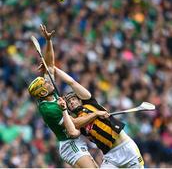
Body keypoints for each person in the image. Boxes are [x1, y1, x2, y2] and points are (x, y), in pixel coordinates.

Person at [40, 24, 144, 168]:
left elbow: (71, 81)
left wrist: (53, 68)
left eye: (73, 99)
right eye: (68, 103)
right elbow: (73, 129)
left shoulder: (90, 101)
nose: (71, 103)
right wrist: (96, 115)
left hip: (127, 149)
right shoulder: (77, 121)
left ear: (79, 98)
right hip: (110, 157)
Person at [28, 24, 110, 168]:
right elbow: (75, 125)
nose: (48, 82)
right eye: (45, 84)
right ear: (42, 92)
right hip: (69, 144)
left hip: (76, 143)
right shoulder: (50, 109)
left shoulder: (48, 95)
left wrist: (48, 41)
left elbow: (50, 65)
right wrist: (95, 114)